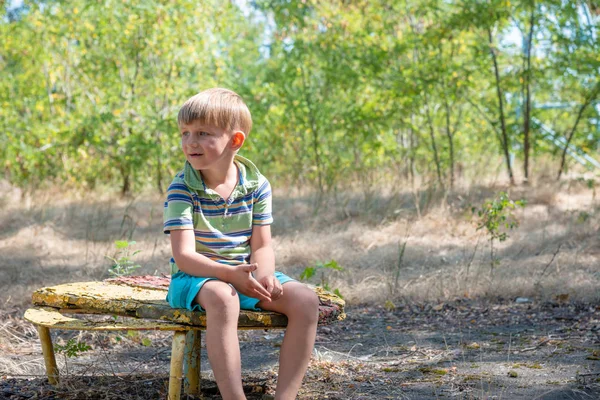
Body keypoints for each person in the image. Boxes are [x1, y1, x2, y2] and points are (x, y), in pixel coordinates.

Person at [163, 88, 319, 400]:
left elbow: (261, 245)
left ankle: (285, 397)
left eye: (203, 132)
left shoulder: (256, 185)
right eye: (185, 133)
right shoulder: (182, 189)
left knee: (305, 301)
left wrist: (265, 276)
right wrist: (229, 274)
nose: (190, 142)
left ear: (235, 140)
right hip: (194, 280)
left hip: (243, 277)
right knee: (223, 296)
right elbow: (184, 257)